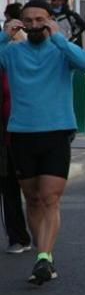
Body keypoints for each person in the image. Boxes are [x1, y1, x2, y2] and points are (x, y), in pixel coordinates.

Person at [0, 0, 85, 284]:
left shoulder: (60, 51)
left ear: (50, 20)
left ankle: (44, 257)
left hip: (56, 132)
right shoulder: (13, 52)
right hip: (21, 133)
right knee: (32, 198)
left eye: (39, 19)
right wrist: (5, 34)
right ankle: (44, 254)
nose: (33, 25)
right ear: (21, 23)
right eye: (27, 20)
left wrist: (59, 38)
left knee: (50, 198)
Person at [0, 16, 29, 254]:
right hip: (5, 136)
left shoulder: (31, 64)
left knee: (34, 191)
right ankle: (17, 236)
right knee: (9, 187)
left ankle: (39, 233)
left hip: (29, 133)